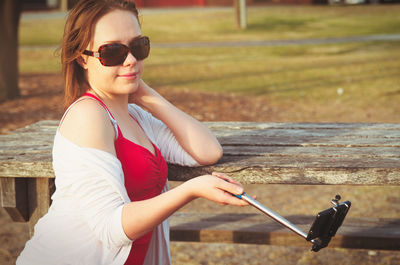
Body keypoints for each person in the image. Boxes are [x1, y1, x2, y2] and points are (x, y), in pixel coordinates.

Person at [17, 0, 249, 264]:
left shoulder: (135, 116)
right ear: (82, 58)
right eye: (113, 52)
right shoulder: (88, 116)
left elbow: (207, 151)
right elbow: (110, 227)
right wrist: (190, 190)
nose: (131, 60)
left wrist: (146, 93)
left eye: (138, 47)